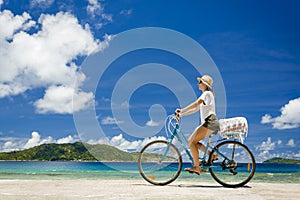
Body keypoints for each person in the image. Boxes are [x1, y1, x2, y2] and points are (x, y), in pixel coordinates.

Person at [175, 75, 219, 175]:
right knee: (193, 142)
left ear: (205, 84)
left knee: (191, 141)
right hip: (210, 123)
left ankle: (196, 167)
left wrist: (181, 110)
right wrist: (181, 114)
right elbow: (195, 109)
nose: (198, 84)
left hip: (210, 122)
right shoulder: (208, 95)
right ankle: (211, 155)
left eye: (200, 82)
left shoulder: (207, 94)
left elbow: (196, 103)